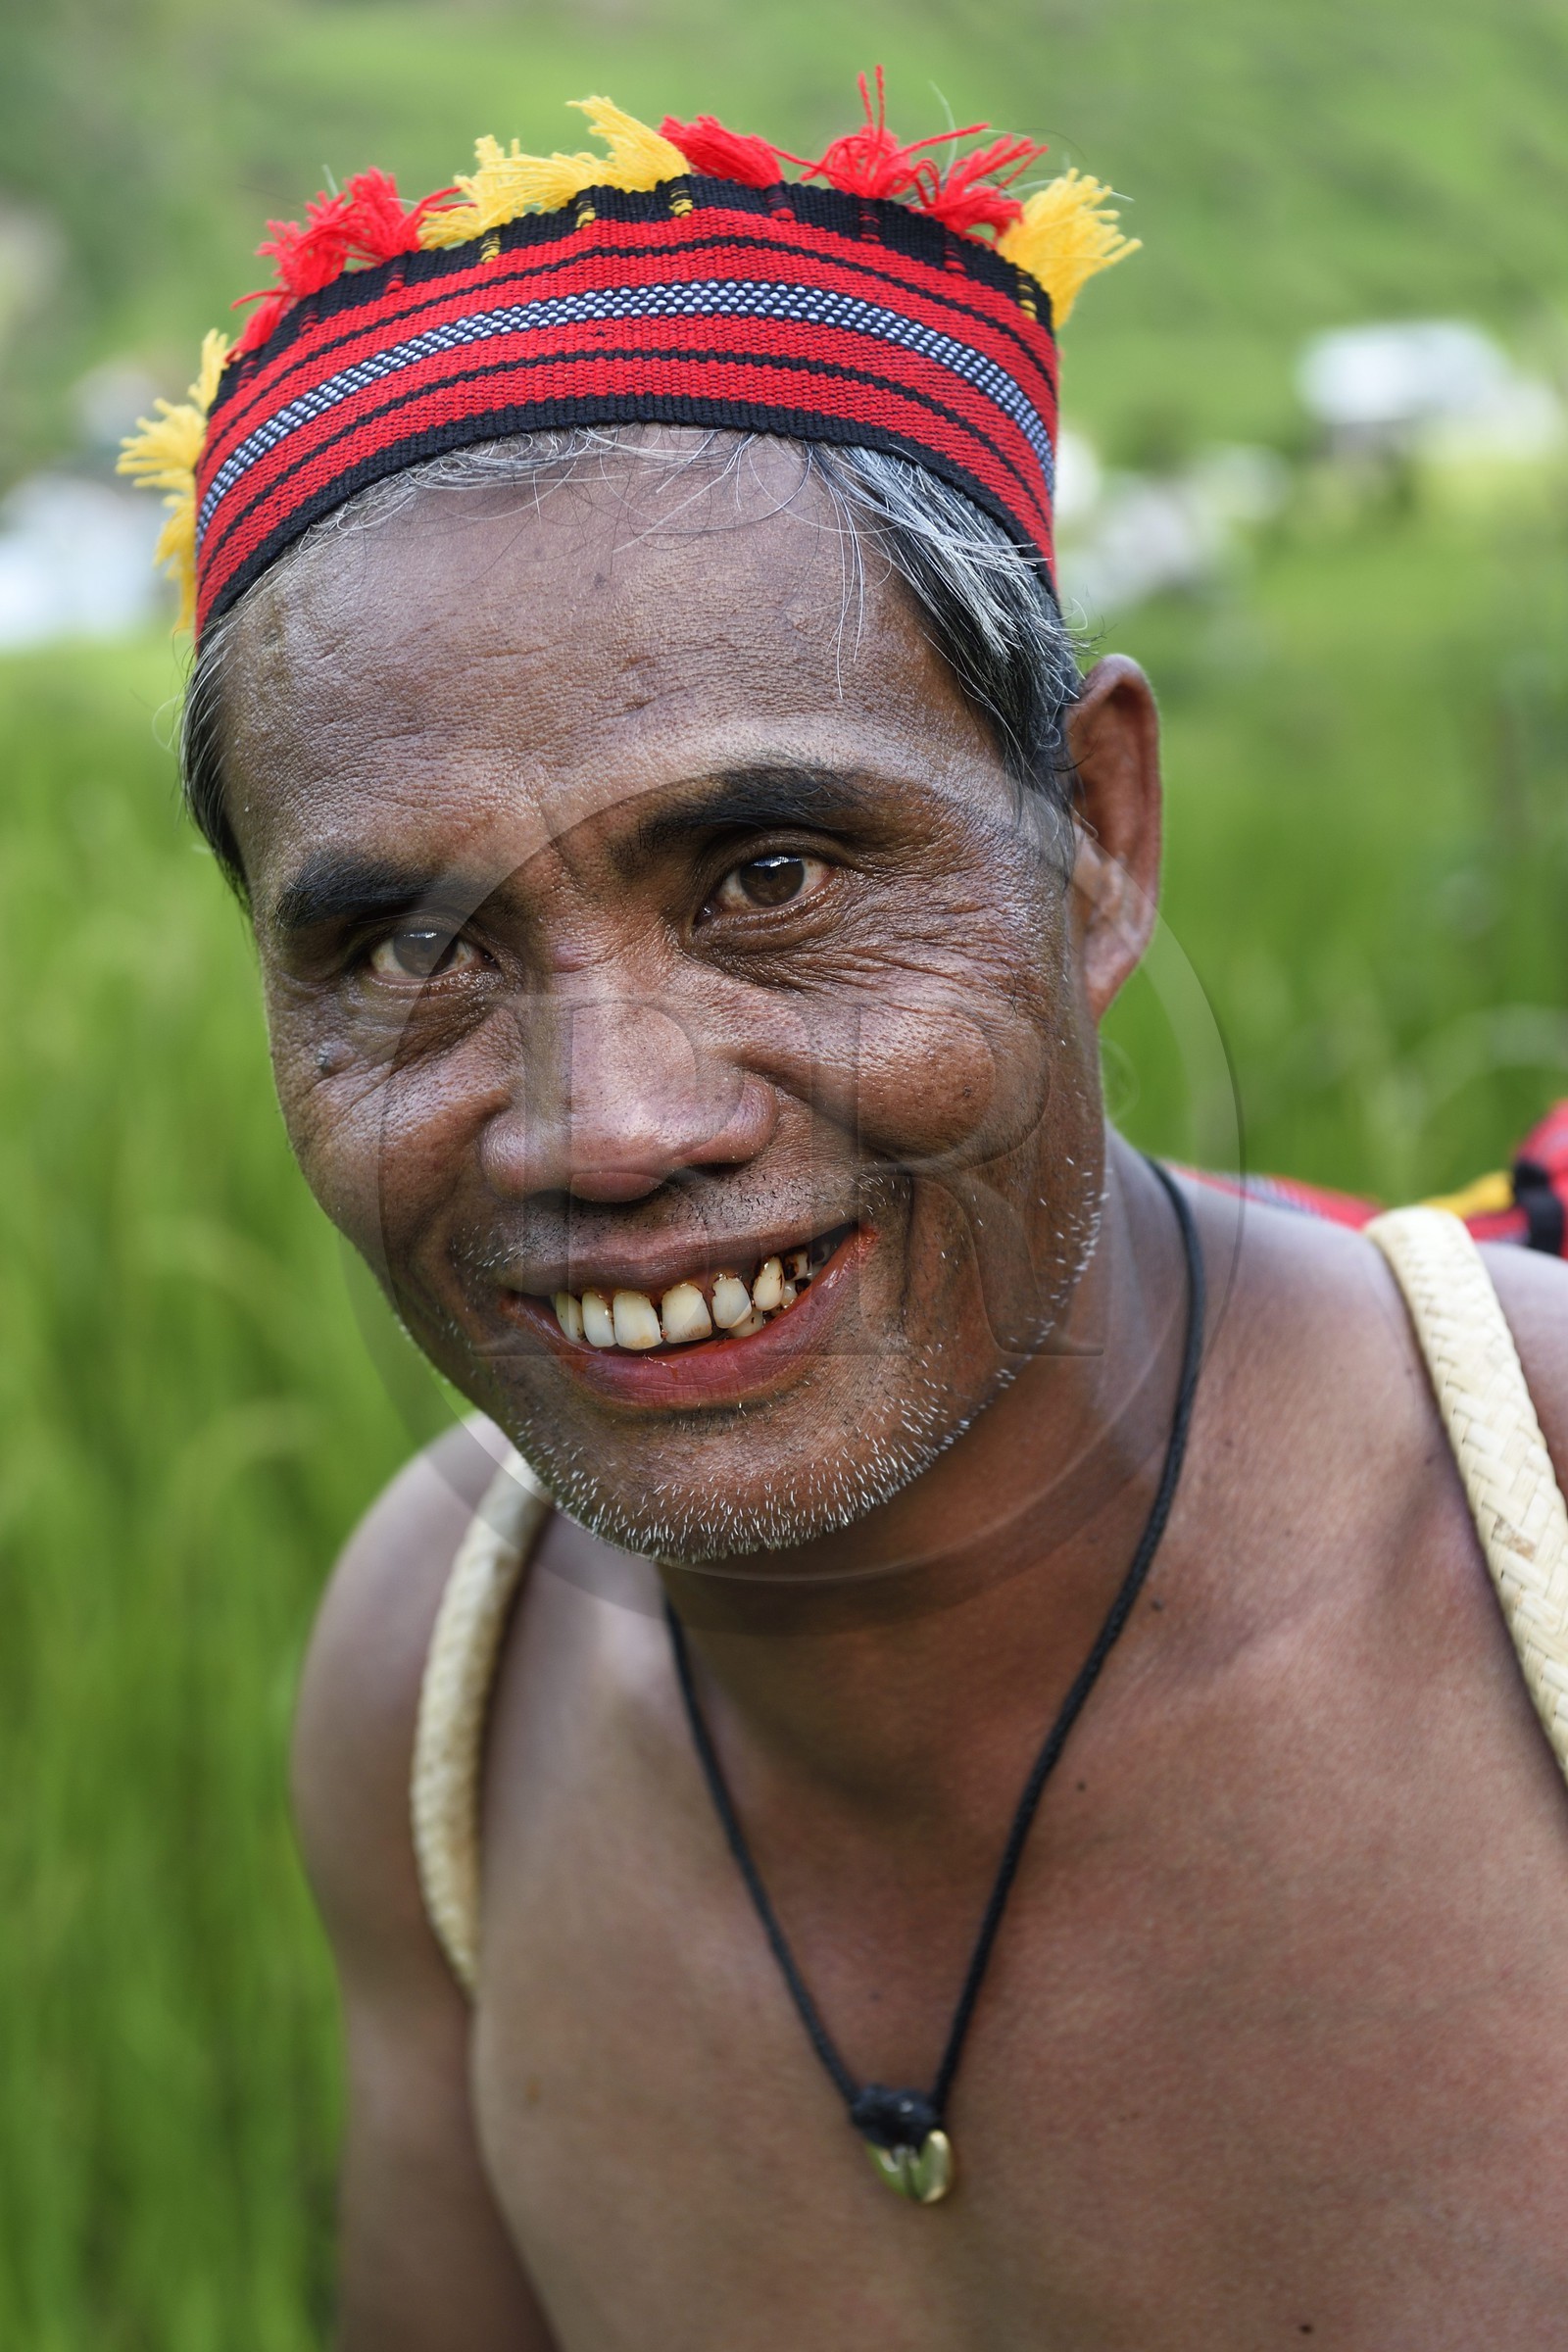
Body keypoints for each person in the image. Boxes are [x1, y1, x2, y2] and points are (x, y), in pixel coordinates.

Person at [123, 82, 1568, 2350]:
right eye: (412, 950)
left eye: (771, 878)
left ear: (1087, 834)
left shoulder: (1534, 1552)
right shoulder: (440, 1688)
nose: (606, 1129)